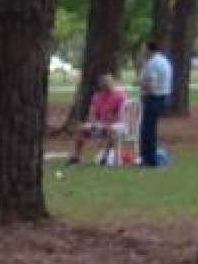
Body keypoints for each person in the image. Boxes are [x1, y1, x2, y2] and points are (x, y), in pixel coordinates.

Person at [72, 77, 131, 166]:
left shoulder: (120, 96)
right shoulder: (97, 97)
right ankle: (77, 156)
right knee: (81, 129)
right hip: (101, 124)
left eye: (108, 87)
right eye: (104, 88)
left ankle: (105, 157)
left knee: (111, 130)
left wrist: (108, 123)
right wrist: (93, 123)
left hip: (118, 124)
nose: (106, 90)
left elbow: (122, 115)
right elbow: (93, 113)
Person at [138, 36, 174, 168]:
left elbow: (150, 84)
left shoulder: (152, 63)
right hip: (162, 97)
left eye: (143, 49)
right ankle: (150, 157)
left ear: (149, 49)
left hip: (153, 98)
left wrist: (141, 84)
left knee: (147, 130)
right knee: (151, 129)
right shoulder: (163, 61)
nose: (141, 51)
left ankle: (148, 158)